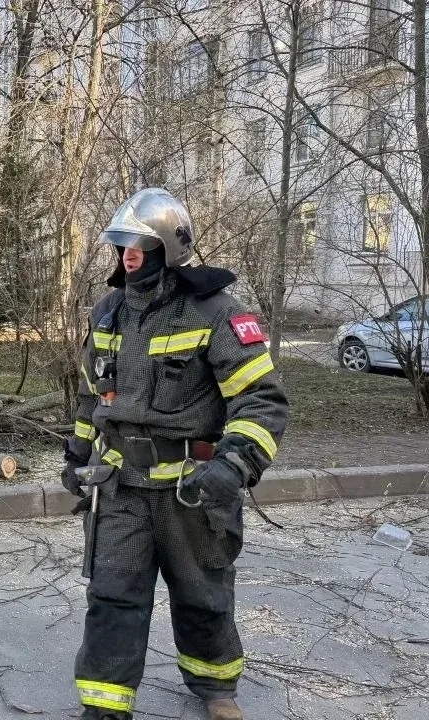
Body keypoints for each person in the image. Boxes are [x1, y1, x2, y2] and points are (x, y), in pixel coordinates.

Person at [63, 188, 289, 720]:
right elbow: (89, 395)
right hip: (120, 487)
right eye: (121, 245)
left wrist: (234, 465)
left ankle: (215, 688)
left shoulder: (217, 313)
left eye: (140, 245)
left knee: (203, 594)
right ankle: (105, 706)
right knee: (113, 598)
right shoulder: (109, 311)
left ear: (170, 246)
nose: (128, 256)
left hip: (192, 489)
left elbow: (263, 400)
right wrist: (76, 457)